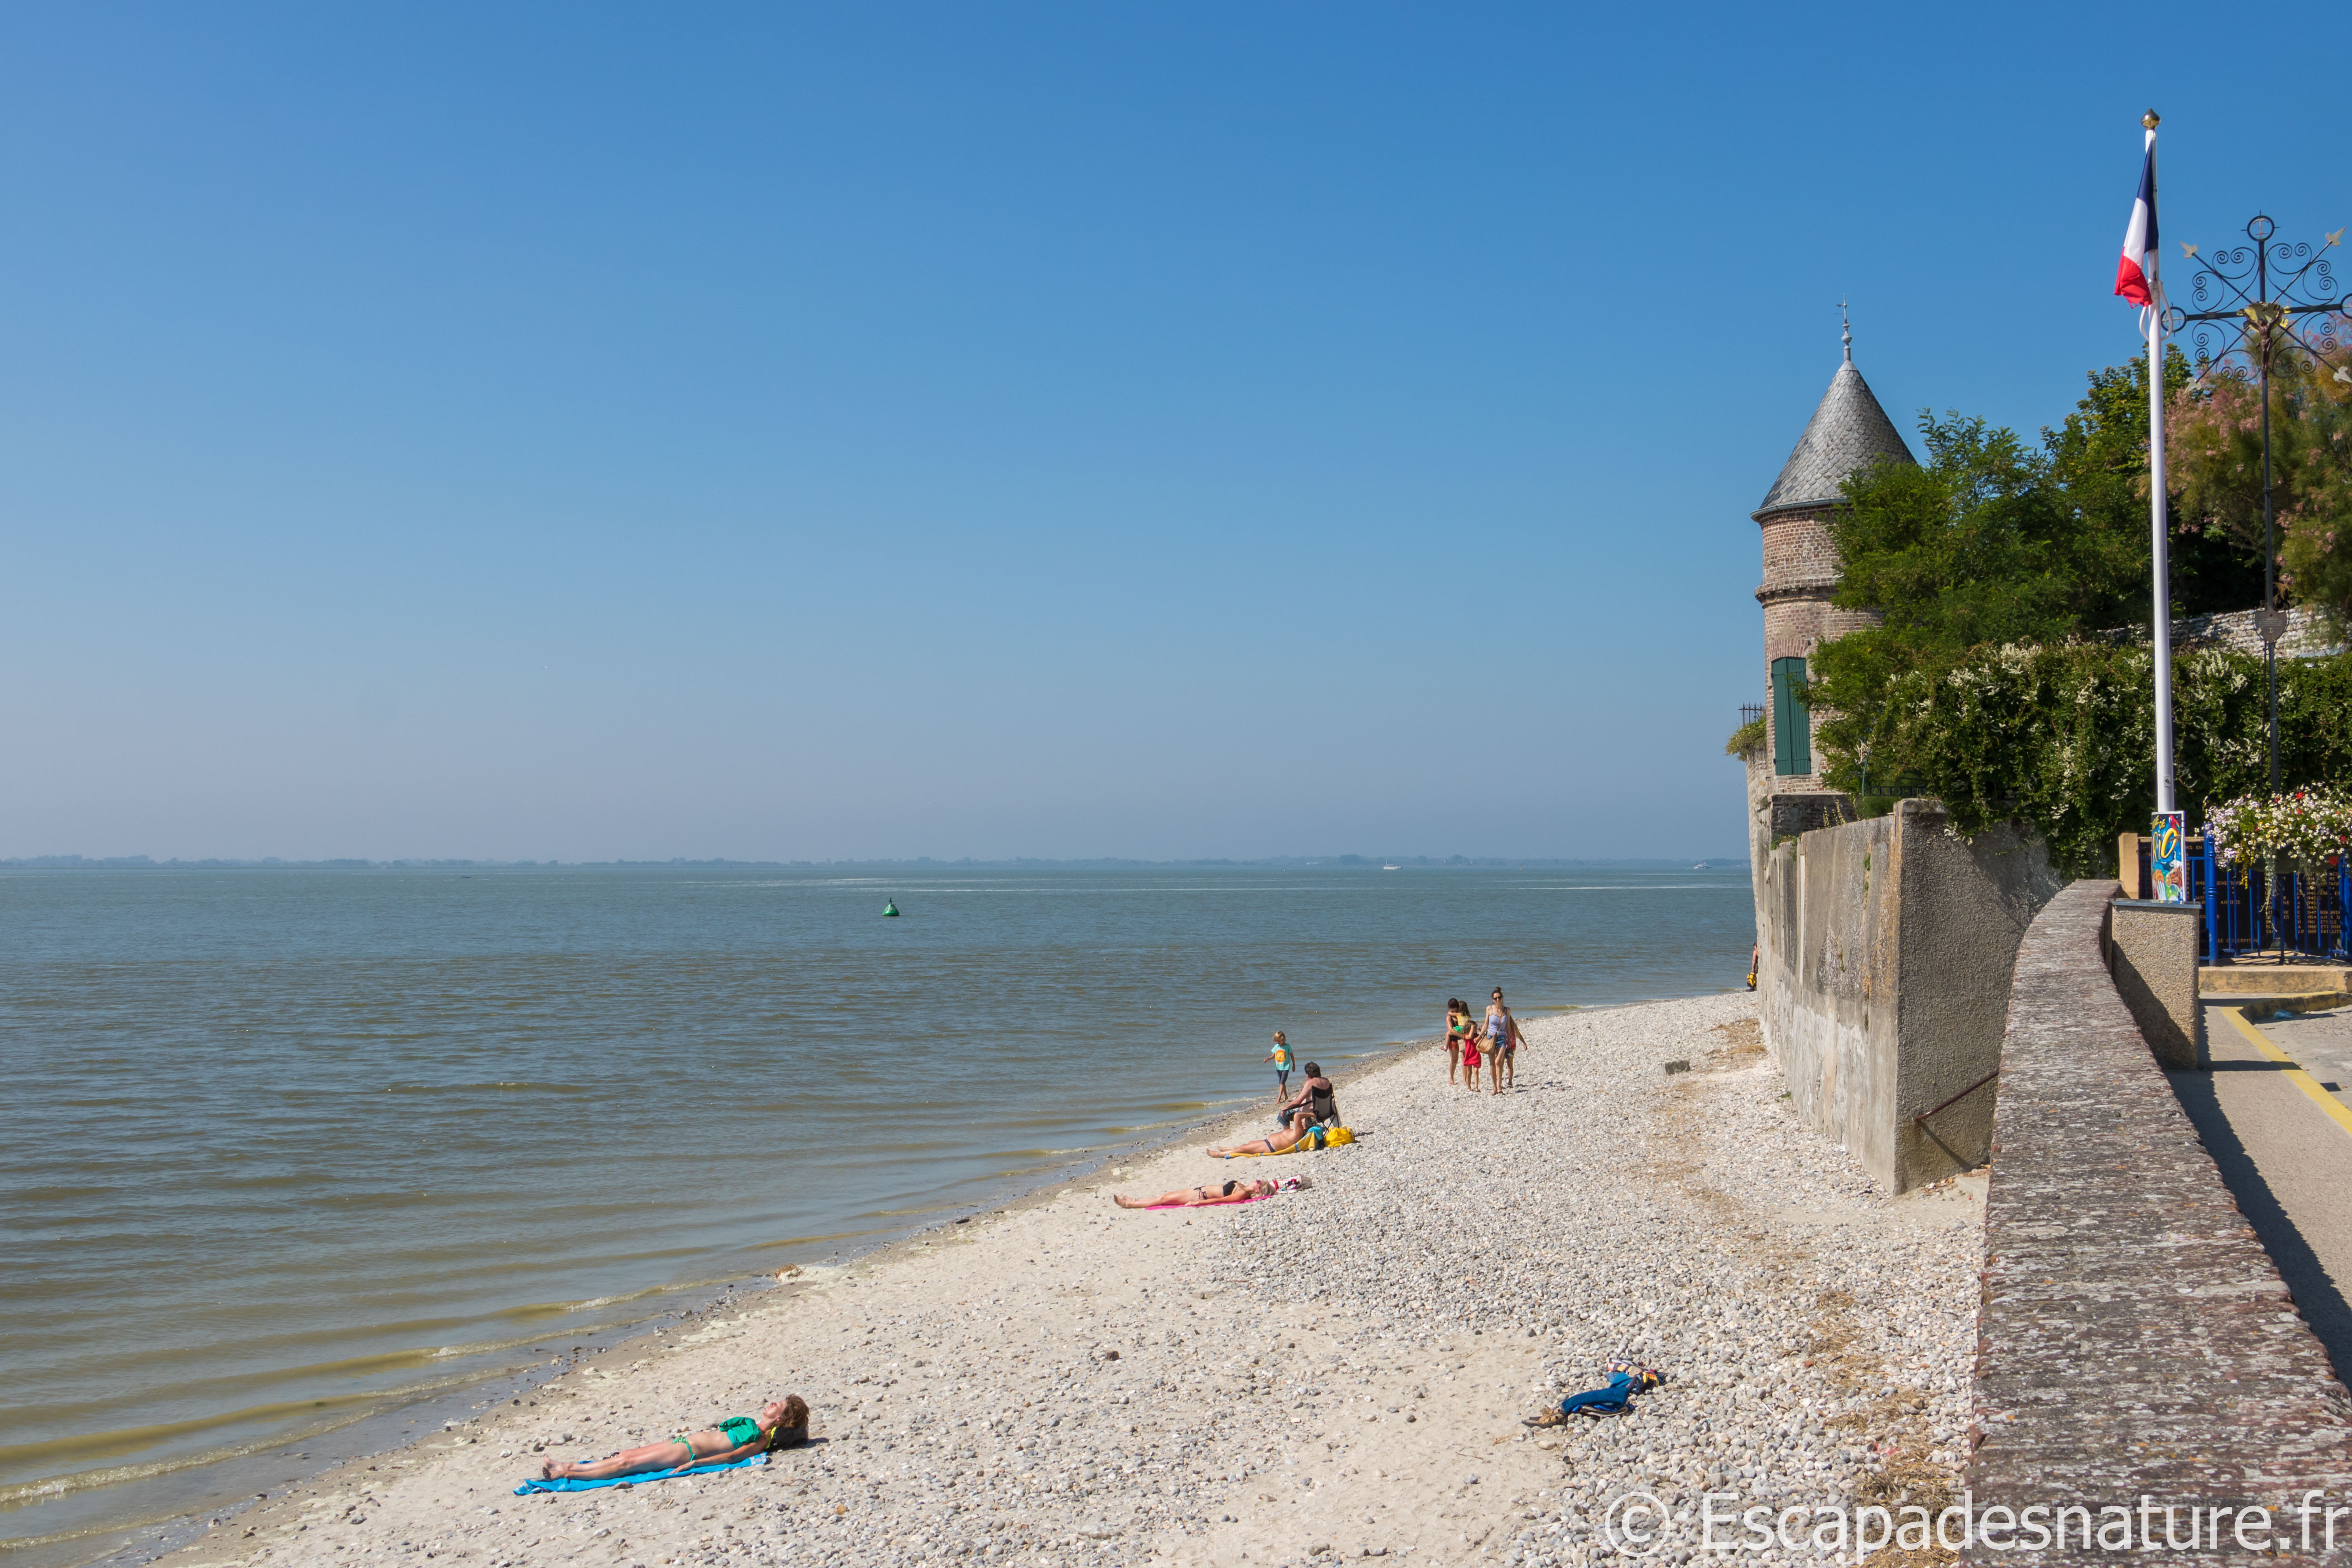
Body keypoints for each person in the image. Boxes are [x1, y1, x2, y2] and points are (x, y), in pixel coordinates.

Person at [538, 1397, 808, 1481]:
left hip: (686, 1454)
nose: (773, 1403)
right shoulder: (756, 1426)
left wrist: (697, 1465)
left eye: (779, 1406)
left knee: (626, 1466)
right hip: (682, 1442)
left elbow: (732, 1457)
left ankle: (566, 1471)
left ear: (781, 1419)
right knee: (625, 1456)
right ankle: (570, 1467)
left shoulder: (761, 1439)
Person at [1113, 1176, 1301, 1208]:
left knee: (1163, 1199)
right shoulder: (1243, 1187)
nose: (1257, 1180)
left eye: (1260, 1182)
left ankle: (1129, 1204)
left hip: (1200, 1196)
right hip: (1199, 1190)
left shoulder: (1243, 1193)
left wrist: (1198, 1203)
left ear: (1258, 1189)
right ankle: (1134, 1199)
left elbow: (1224, 1202)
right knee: (1164, 1195)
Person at [1275, 1062, 1338, 1132]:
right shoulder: (1326, 1081)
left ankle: (1288, 1136)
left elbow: (1298, 1101)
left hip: (1310, 1115)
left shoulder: (1310, 1084)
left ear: (1308, 1075)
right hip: (1325, 1113)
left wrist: (1285, 1108)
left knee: (1282, 1116)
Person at [1485, 988, 1525, 1095]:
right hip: (1491, 1037)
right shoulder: (1489, 1009)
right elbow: (1486, 1025)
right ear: (1493, 1000)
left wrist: (1510, 1041)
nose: (1498, 1000)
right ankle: (1495, 1087)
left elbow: (1508, 1027)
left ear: (1502, 998)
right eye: (1496, 998)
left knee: (1498, 1062)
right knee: (1493, 1064)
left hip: (1502, 1037)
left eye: (1500, 998)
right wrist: (1479, 1037)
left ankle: (1499, 1086)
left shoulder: (1507, 1010)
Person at [1445, 999, 1472, 1086]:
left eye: (1455, 1007)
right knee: (1454, 1061)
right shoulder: (1449, 1017)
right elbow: (1451, 1030)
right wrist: (1462, 1036)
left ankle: (1465, 1080)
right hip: (1454, 1040)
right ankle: (1452, 1079)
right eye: (1452, 1008)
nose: (1454, 1009)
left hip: (1463, 1040)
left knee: (1465, 1060)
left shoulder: (1461, 1016)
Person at [1265, 1031, 1295, 1107]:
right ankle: (1286, 1096)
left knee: (1282, 1083)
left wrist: (1294, 1065)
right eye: (1276, 1041)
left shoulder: (1288, 1046)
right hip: (1278, 1068)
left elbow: (1292, 1056)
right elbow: (1273, 1056)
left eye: (1278, 1041)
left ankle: (1279, 1098)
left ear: (1283, 1039)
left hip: (1286, 1067)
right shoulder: (1276, 1047)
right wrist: (1268, 1059)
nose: (1277, 1042)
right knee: (1282, 1083)